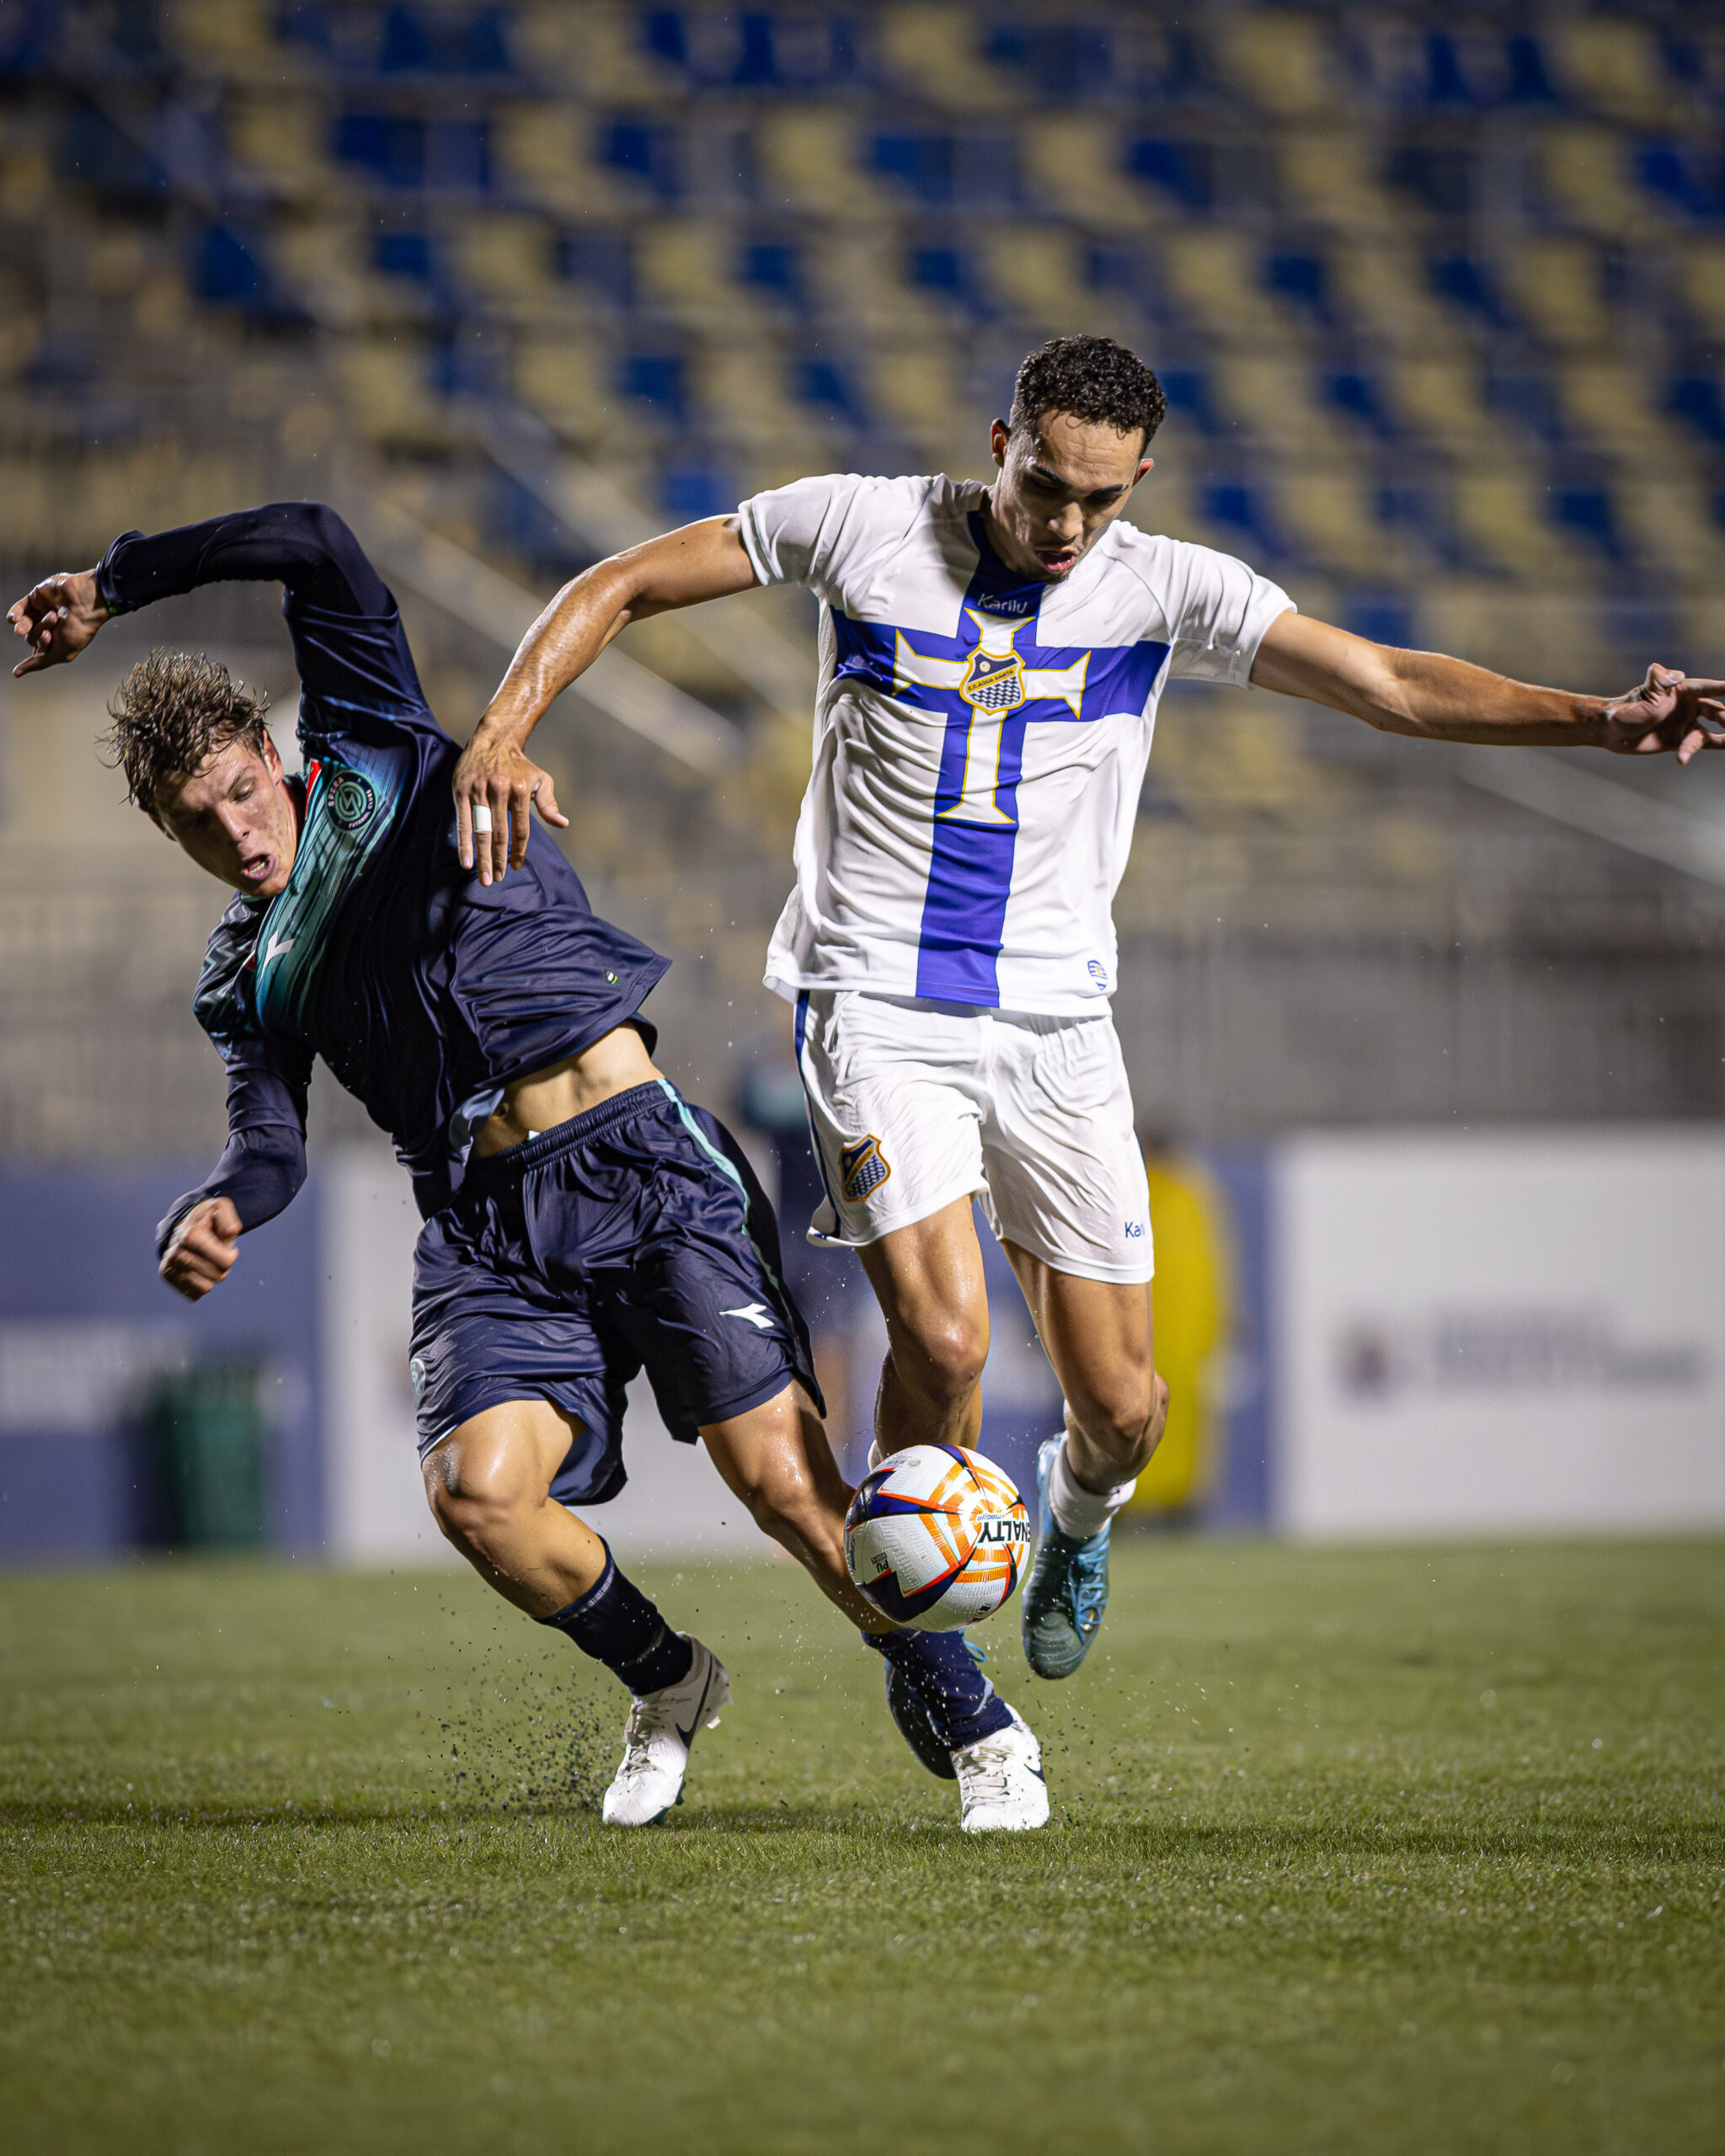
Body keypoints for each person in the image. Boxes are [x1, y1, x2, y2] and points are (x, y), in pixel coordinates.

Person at [451, 330, 1725, 1714]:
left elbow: (1389, 685)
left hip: (1058, 1026)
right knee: (944, 1344)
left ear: (1140, 482)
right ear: (1000, 445)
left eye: (1100, 499)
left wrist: (1598, 720)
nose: (1067, 524)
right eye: (1048, 486)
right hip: (874, 1000)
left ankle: (1074, 1517)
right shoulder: (862, 527)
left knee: (1125, 1409)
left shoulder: (1163, 588)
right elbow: (630, 578)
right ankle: (921, 1636)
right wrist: (505, 728)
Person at [6, 502, 1048, 1834]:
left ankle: (978, 1730)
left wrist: (114, 578)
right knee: (479, 1498)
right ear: (170, 834)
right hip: (487, 1225)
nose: (238, 835)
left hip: (641, 1159)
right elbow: (271, 1139)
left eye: (240, 793)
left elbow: (321, 541)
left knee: (783, 1482)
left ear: (272, 756)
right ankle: (669, 1683)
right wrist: (225, 1203)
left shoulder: (374, 743)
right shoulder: (242, 976)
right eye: (198, 824)